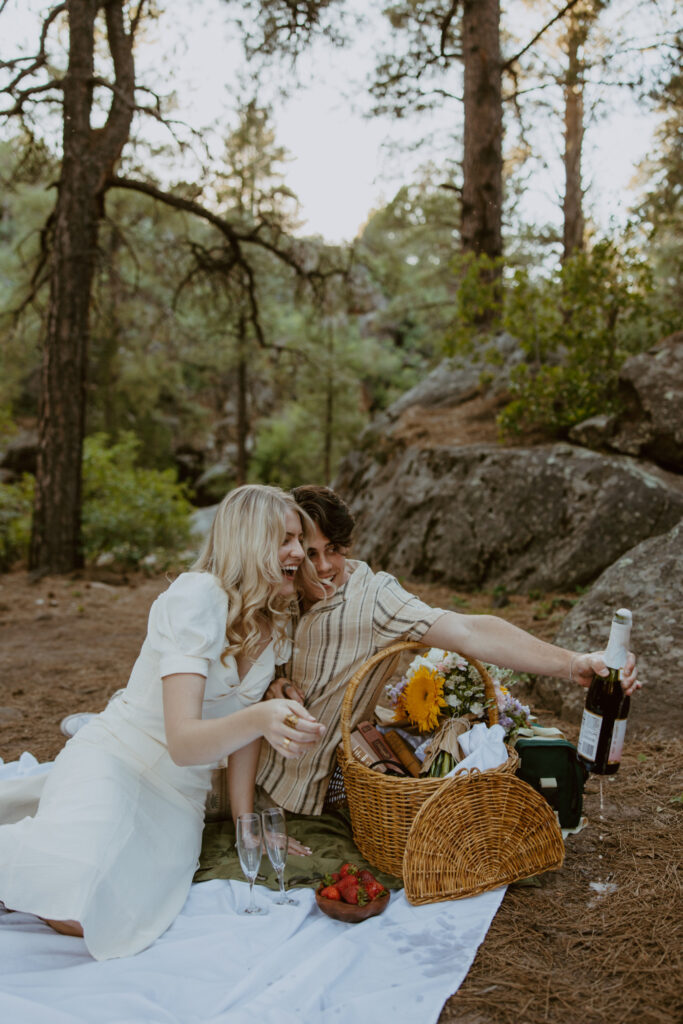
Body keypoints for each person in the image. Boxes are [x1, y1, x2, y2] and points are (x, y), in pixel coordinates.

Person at [0, 484, 325, 960]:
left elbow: (242, 739)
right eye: (286, 540)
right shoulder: (195, 599)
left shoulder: (272, 624)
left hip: (180, 796)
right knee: (71, 900)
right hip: (118, 757)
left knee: (116, 916)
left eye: (298, 540)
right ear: (247, 543)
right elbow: (184, 741)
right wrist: (260, 716)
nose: (298, 551)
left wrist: (245, 825)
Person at [258, 485, 640, 816]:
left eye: (335, 549)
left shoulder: (373, 598)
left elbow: (470, 630)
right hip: (242, 765)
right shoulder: (278, 588)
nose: (325, 567)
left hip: (292, 792)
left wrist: (572, 663)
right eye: (310, 554)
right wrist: (276, 682)